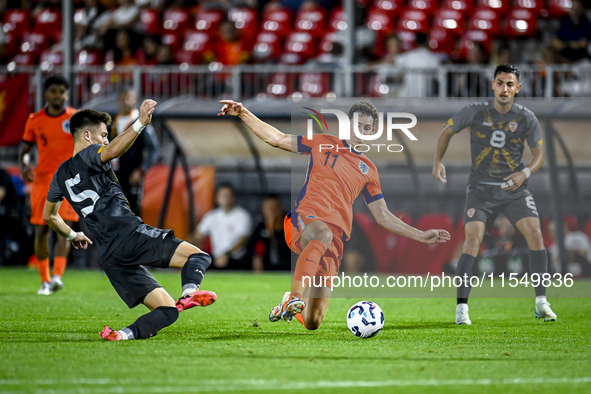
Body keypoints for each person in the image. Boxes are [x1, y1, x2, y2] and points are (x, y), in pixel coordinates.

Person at [218, 100, 451, 330]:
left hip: (334, 242)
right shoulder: (322, 142)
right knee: (323, 232)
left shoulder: (369, 170)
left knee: (312, 322)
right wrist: (243, 113)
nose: (362, 131)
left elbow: (383, 216)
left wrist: (421, 235)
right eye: (358, 125)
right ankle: (295, 295)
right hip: (306, 222)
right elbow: (277, 138)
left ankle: (288, 302)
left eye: (367, 128)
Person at [43, 101, 217, 341]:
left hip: (110, 257)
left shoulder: (60, 175)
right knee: (198, 256)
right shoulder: (90, 153)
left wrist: (73, 235)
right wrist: (140, 123)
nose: (105, 140)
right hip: (128, 234)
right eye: (103, 135)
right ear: (86, 135)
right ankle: (189, 292)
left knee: (167, 311)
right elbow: (113, 151)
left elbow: (49, 216)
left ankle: (121, 335)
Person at [433, 64, 558, 325]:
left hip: (513, 189)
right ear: (493, 84)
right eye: (500, 83)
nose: (504, 89)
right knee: (472, 240)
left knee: (535, 234)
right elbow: (447, 132)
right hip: (480, 190)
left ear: (517, 88)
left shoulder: (526, 118)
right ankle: (462, 309)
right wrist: (437, 162)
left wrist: (524, 173)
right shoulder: (475, 112)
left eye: (509, 84)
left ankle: (541, 303)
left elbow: (539, 155)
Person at [19, 75, 79, 295]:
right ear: (46, 94)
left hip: (69, 183)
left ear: (66, 94)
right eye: (53, 91)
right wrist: (25, 166)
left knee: (66, 231)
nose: (57, 96)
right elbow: (24, 152)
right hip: (43, 181)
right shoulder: (35, 120)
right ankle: (45, 280)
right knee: (42, 230)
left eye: (61, 92)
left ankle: (57, 277)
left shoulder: (75, 118)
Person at [111, 89, 159, 215]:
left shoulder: (141, 121)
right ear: (118, 100)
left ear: (135, 100)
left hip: (131, 173)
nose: (126, 102)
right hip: (113, 173)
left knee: (131, 209)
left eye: (129, 98)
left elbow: (154, 149)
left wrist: (141, 170)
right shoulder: (113, 121)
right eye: (123, 98)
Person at [193, 183, 252, 270]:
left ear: (233, 197)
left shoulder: (242, 216)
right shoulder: (211, 216)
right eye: (222, 195)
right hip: (216, 259)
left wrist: (226, 254)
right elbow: (198, 236)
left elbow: (242, 239)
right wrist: (182, 248)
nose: (225, 198)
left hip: (236, 260)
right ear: (217, 198)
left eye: (228, 195)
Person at [247, 194, 292, 271]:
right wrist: (257, 255)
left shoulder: (289, 224)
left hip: (286, 265)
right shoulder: (261, 226)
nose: (272, 211)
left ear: (280, 209)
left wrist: (276, 230)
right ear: (264, 210)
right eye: (269, 208)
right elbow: (251, 246)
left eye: (275, 208)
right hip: (266, 265)